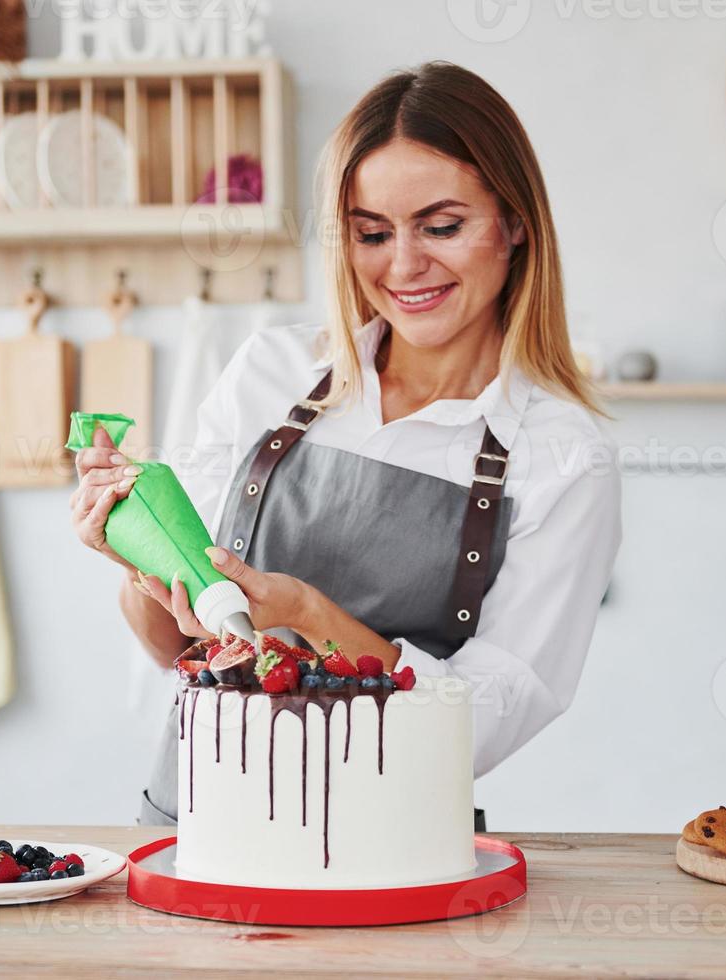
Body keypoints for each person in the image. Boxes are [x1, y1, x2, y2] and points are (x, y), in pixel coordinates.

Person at [70, 62, 621, 825]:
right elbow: (175, 647)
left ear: (517, 222)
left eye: (442, 226)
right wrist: (139, 555)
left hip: (390, 848)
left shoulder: (562, 455)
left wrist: (308, 616)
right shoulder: (272, 372)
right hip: (200, 821)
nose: (403, 266)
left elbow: (482, 728)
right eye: (371, 233)